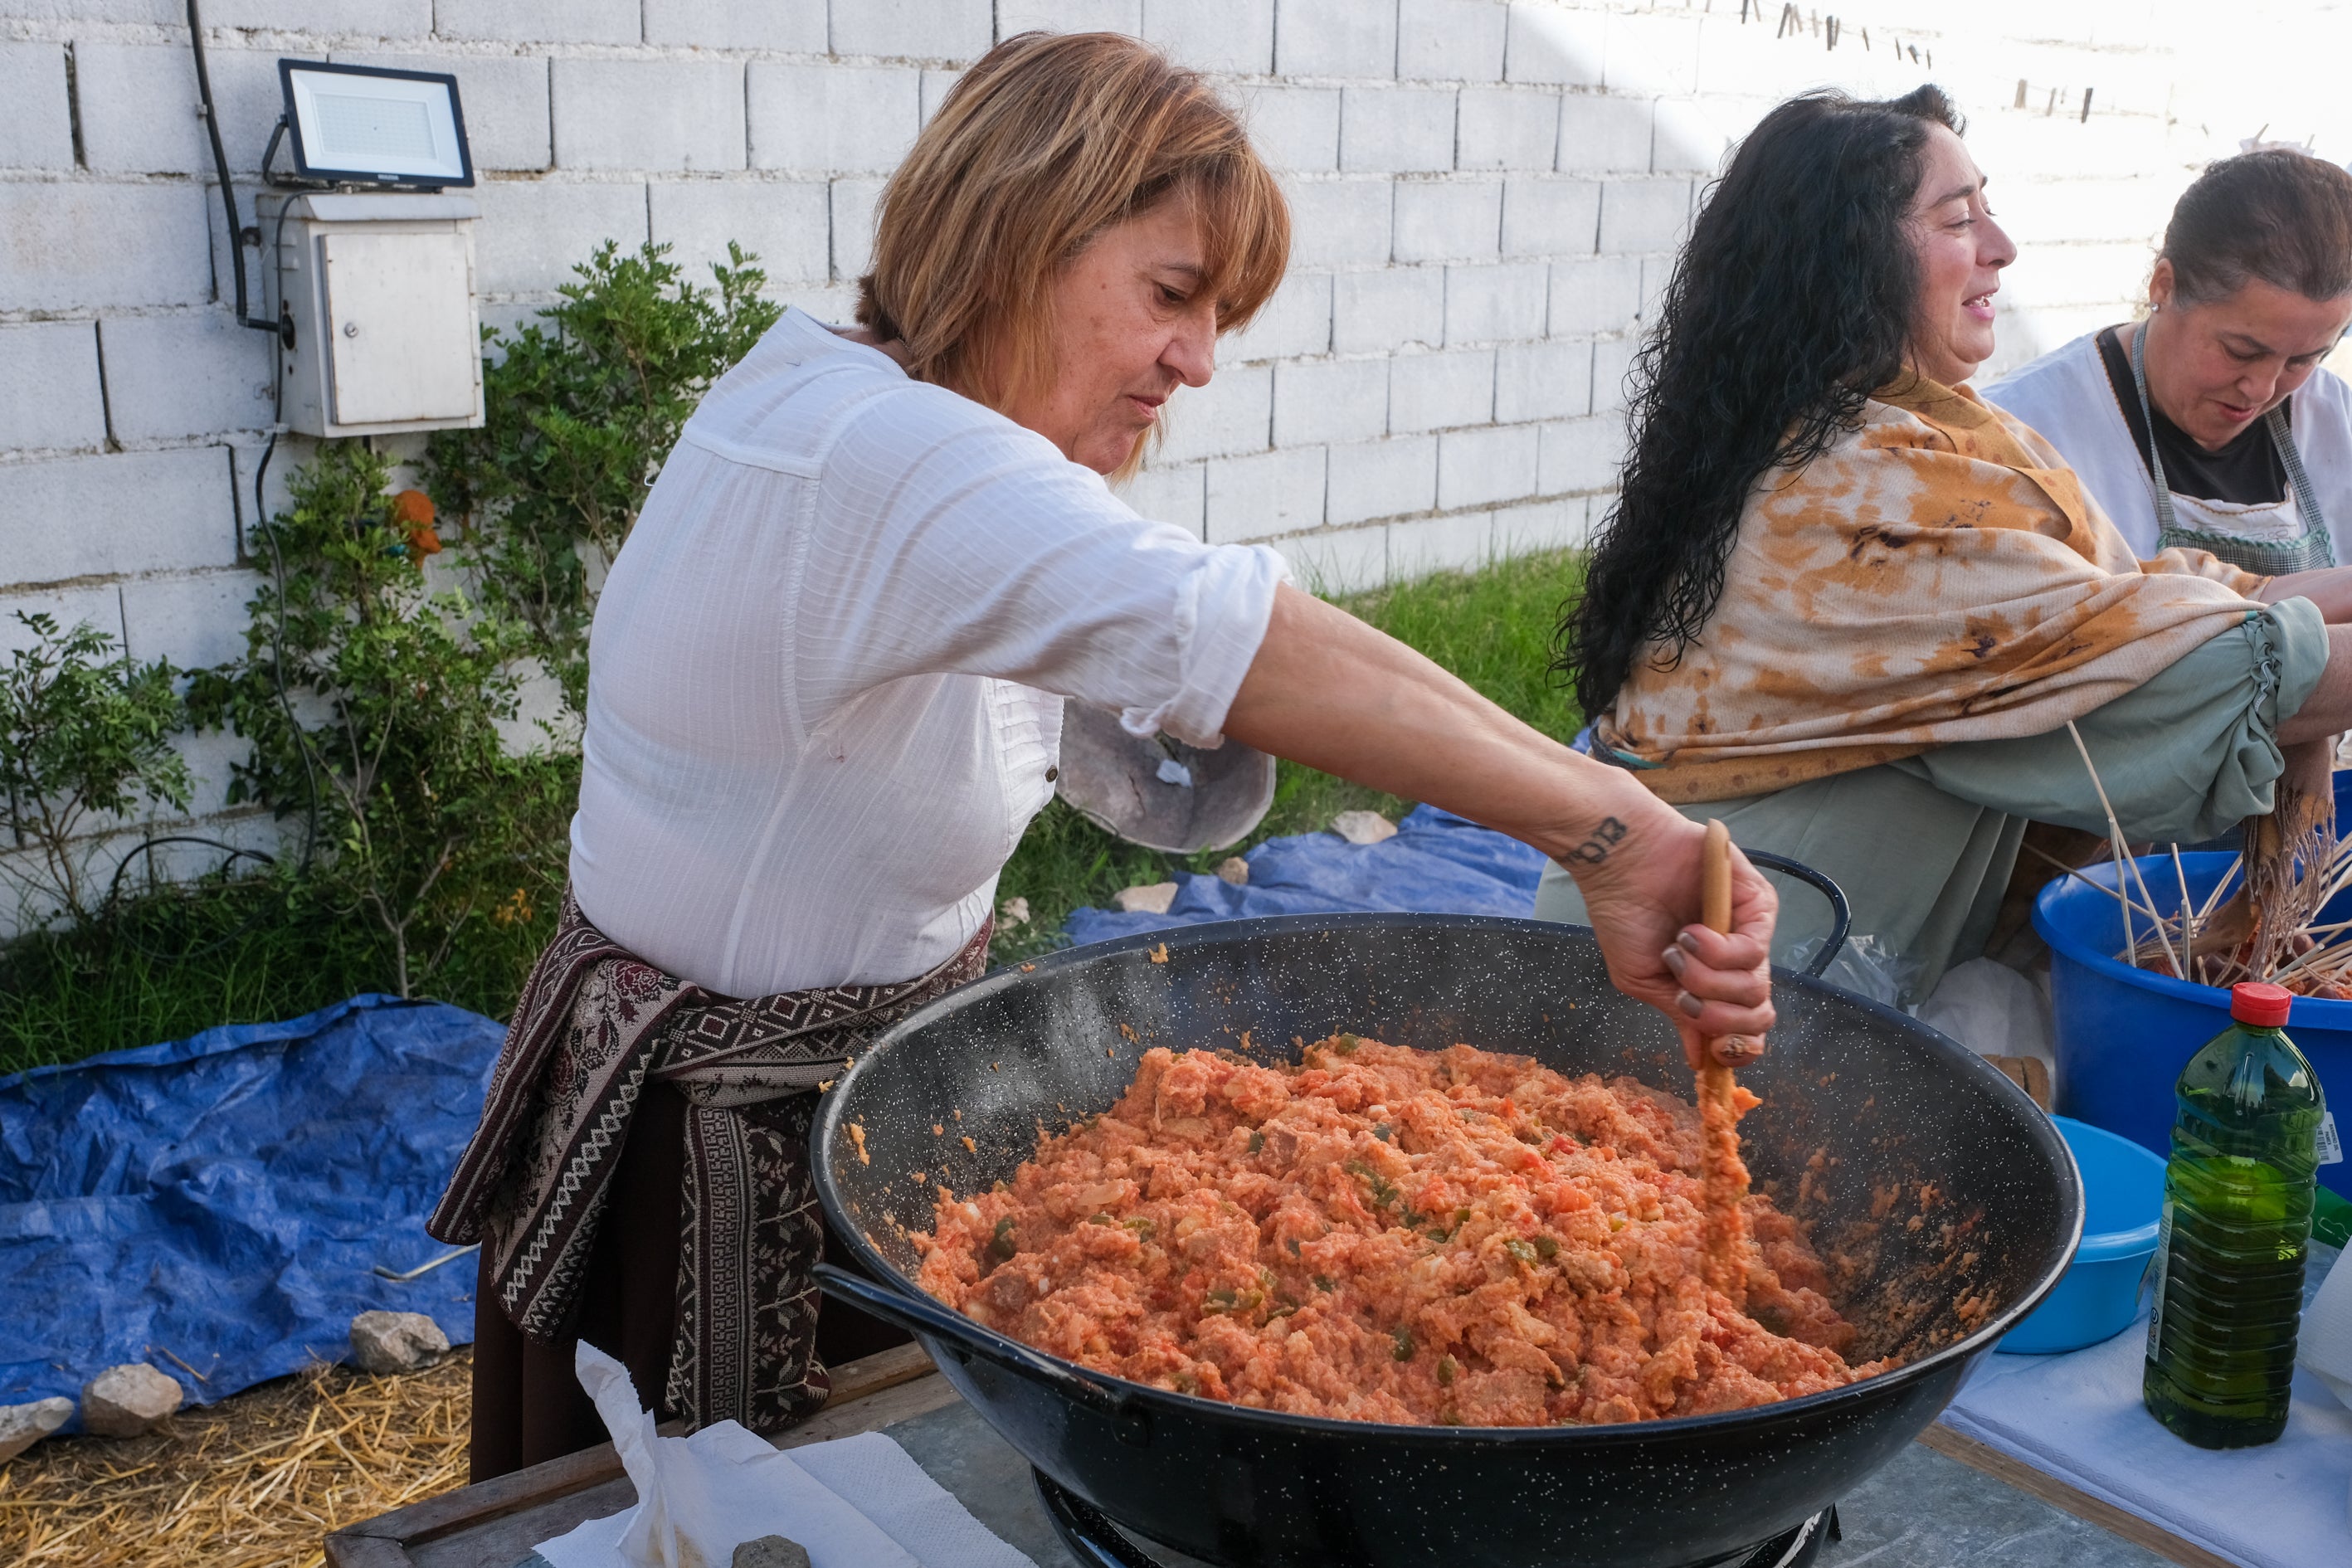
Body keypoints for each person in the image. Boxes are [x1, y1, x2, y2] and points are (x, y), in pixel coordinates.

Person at [431, 31, 1781, 1482]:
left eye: (1216, 316)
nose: (1195, 361)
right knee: (736, 1514)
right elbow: (1249, 642)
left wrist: (1610, 815)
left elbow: (1195, 656)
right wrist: (1613, 835)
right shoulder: (879, 459)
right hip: (712, 1163)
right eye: (1171, 297)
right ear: (1016, 240)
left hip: (854, 1110)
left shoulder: (903, 429)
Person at [1533, 85, 2352, 1006]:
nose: (2003, 249)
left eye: (2303, 361)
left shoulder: (1923, 434)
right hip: (1683, 1005)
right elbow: (2195, 672)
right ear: (1852, 259)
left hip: (1796, 982)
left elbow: (2156, 596)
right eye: (1961, 220)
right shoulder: (1858, 500)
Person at [1988, 150, 2352, 576]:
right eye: (2241, 351)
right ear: (2163, 286)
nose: (2263, 389)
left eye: (2304, 360)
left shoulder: (2339, 421)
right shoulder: (2022, 436)